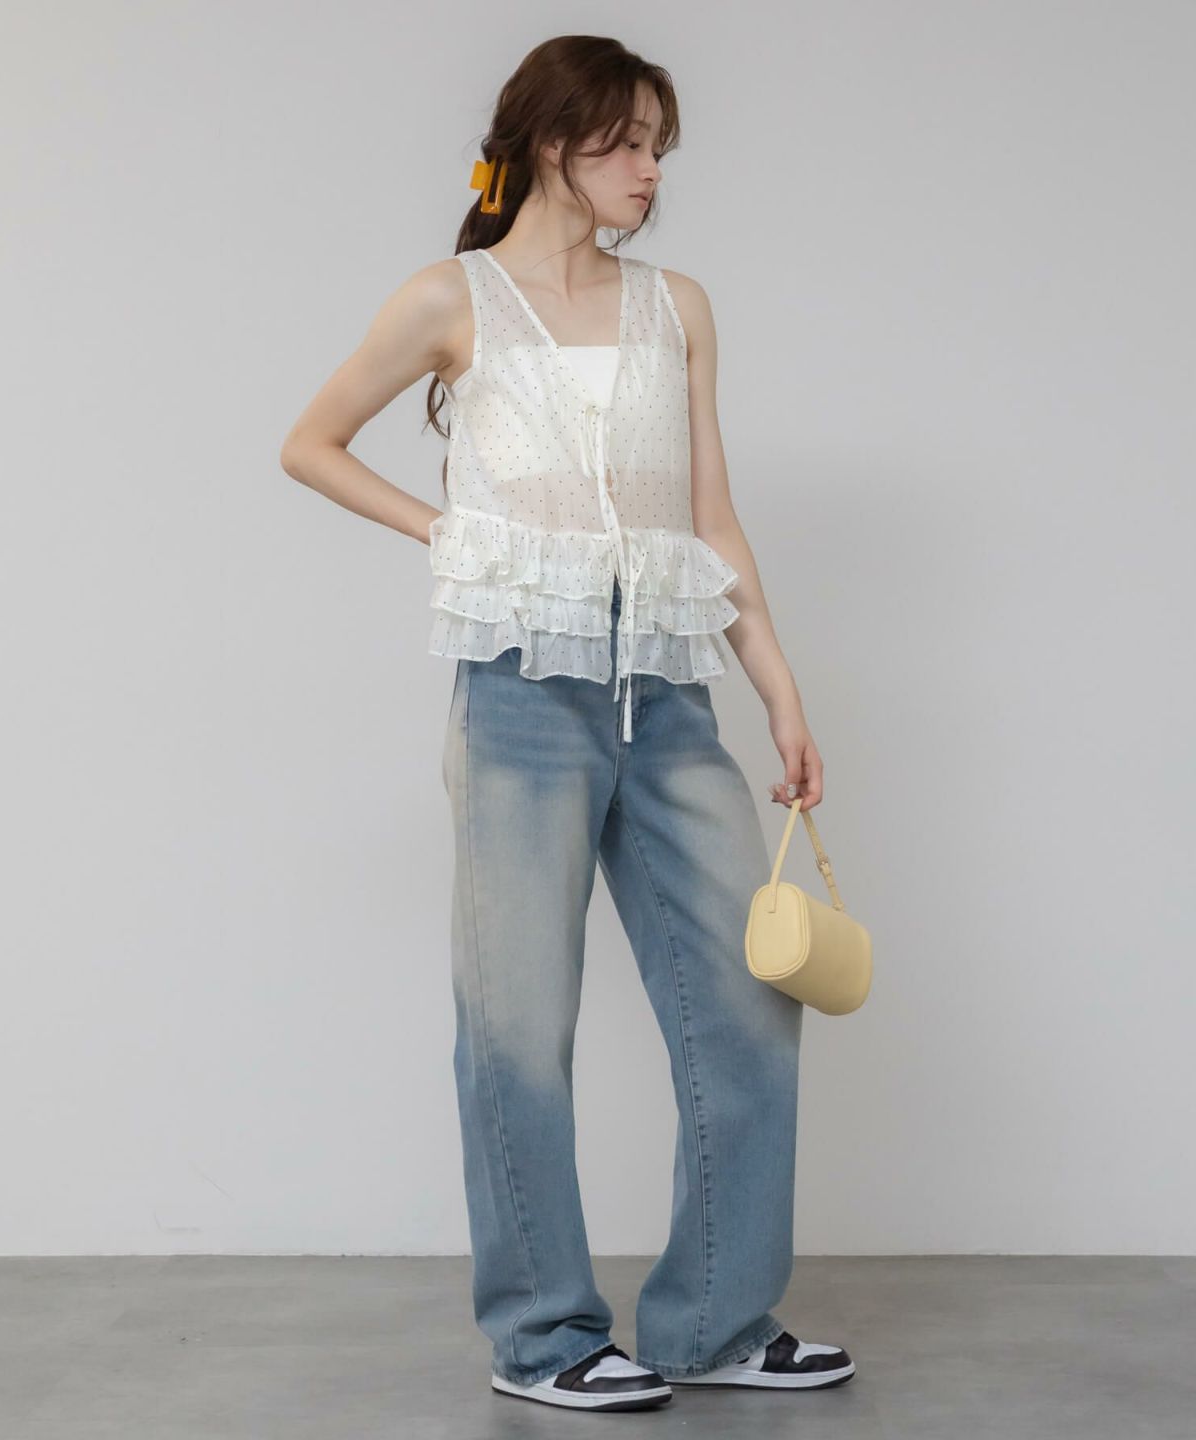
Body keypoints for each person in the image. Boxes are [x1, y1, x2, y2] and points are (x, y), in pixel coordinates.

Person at [281, 33, 855, 1416]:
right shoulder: (452, 298)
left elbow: (711, 518)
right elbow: (310, 443)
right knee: (518, 1028)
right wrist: (451, 533)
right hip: (521, 694)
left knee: (750, 1005)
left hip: (668, 693)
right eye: (630, 142)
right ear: (556, 143)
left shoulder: (678, 307)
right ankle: (543, 1337)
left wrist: (777, 685)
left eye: (661, 146)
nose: (653, 172)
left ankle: (713, 1321)